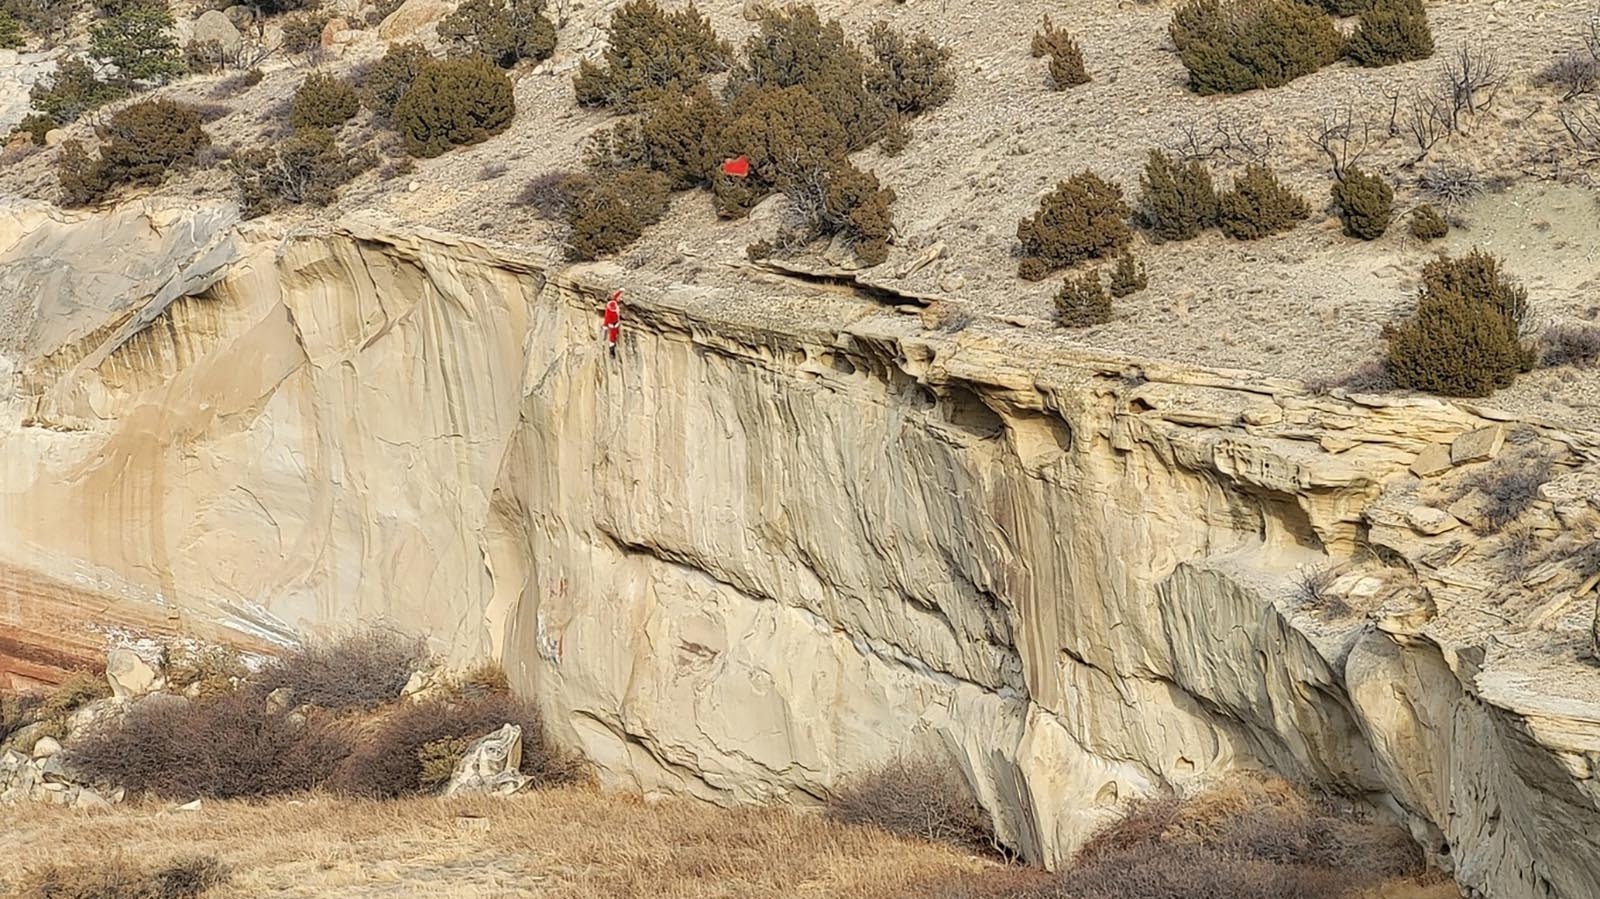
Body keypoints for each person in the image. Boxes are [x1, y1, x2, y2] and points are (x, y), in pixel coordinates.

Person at [602, 290, 622, 356]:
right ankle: (612, 349)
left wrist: (620, 291)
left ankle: (612, 346)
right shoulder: (610, 308)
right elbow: (606, 319)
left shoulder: (612, 304)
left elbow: (615, 296)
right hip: (613, 324)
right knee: (612, 336)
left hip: (614, 323)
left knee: (613, 336)